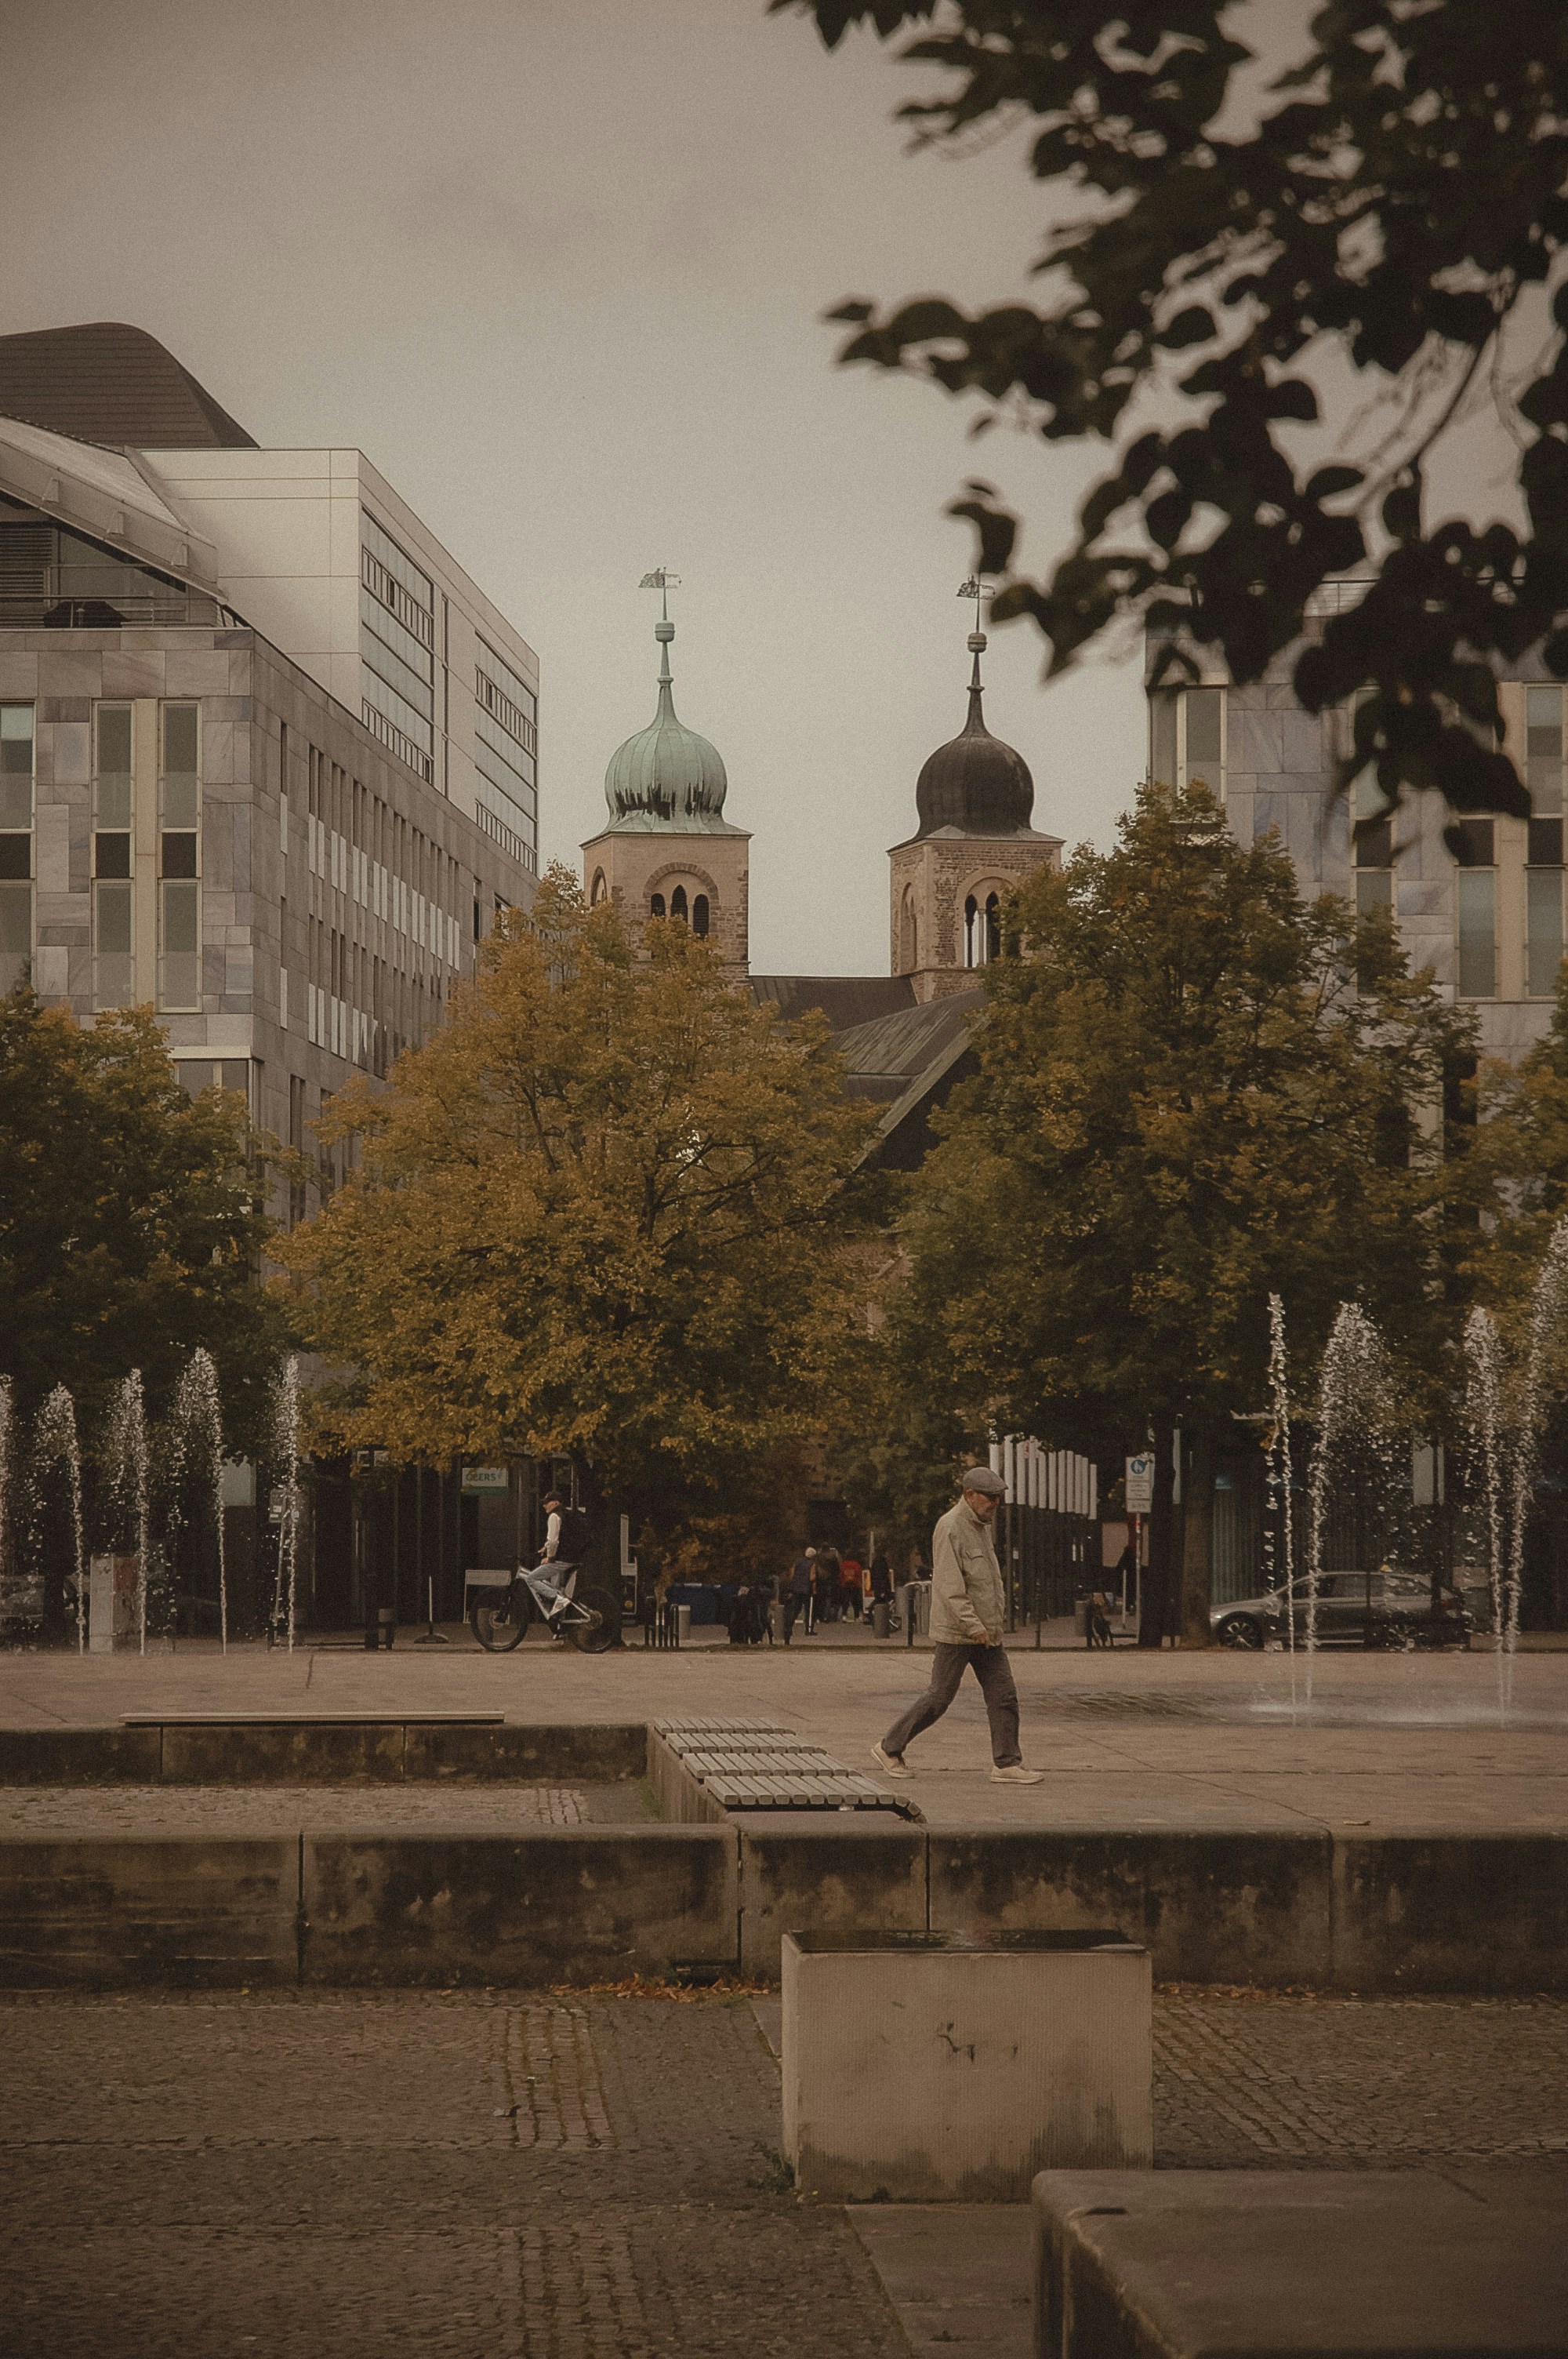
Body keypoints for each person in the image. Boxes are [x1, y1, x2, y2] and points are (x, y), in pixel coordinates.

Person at [873, 1467, 1044, 1785]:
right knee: (939, 1697)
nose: (996, 1503)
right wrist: (972, 1625)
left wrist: (991, 1624)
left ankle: (1006, 1763)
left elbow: (989, 1581)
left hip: (986, 1632)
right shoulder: (950, 1527)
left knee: (1004, 1696)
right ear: (969, 1495)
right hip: (959, 1632)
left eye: (999, 1497)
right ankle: (889, 1747)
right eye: (990, 1497)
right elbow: (951, 1587)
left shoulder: (981, 1526)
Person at [524, 1488, 589, 1625]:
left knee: (531, 1578)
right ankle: (561, 1623)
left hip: (562, 1559)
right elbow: (564, 1535)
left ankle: (558, 1599)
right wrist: (545, 1547)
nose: (544, 1506)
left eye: (547, 1503)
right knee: (558, 1588)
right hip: (576, 1557)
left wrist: (550, 1558)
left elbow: (554, 1540)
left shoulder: (554, 1516)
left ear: (555, 1503)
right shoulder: (567, 1514)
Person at [783, 1547, 815, 1644]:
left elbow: (792, 1574)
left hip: (796, 1589)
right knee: (808, 1610)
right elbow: (812, 1577)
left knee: (796, 1609)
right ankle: (808, 1629)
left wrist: (792, 1586)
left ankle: (789, 1628)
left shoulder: (797, 1562)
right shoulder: (813, 1564)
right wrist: (814, 1588)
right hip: (806, 1589)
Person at [840, 1554, 865, 1621]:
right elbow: (859, 1574)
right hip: (855, 1585)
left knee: (845, 1600)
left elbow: (840, 1574)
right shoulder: (856, 1564)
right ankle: (856, 1616)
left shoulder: (843, 1564)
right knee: (855, 1601)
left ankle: (844, 1616)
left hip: (845, 1585)